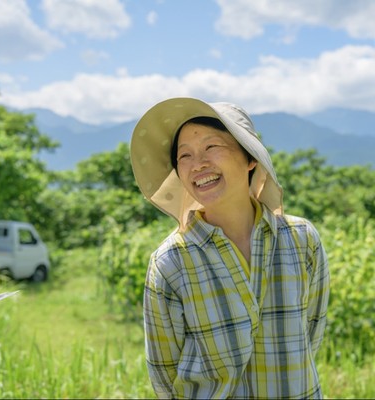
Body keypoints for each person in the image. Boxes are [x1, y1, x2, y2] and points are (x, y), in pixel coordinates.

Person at [130, 97, 330, 399]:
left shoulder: (301, 239)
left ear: (251, 158)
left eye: (212, 147)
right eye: (185, 155)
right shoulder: (171, 262)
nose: (198, 164)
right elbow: (164, 372)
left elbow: (311, 333)